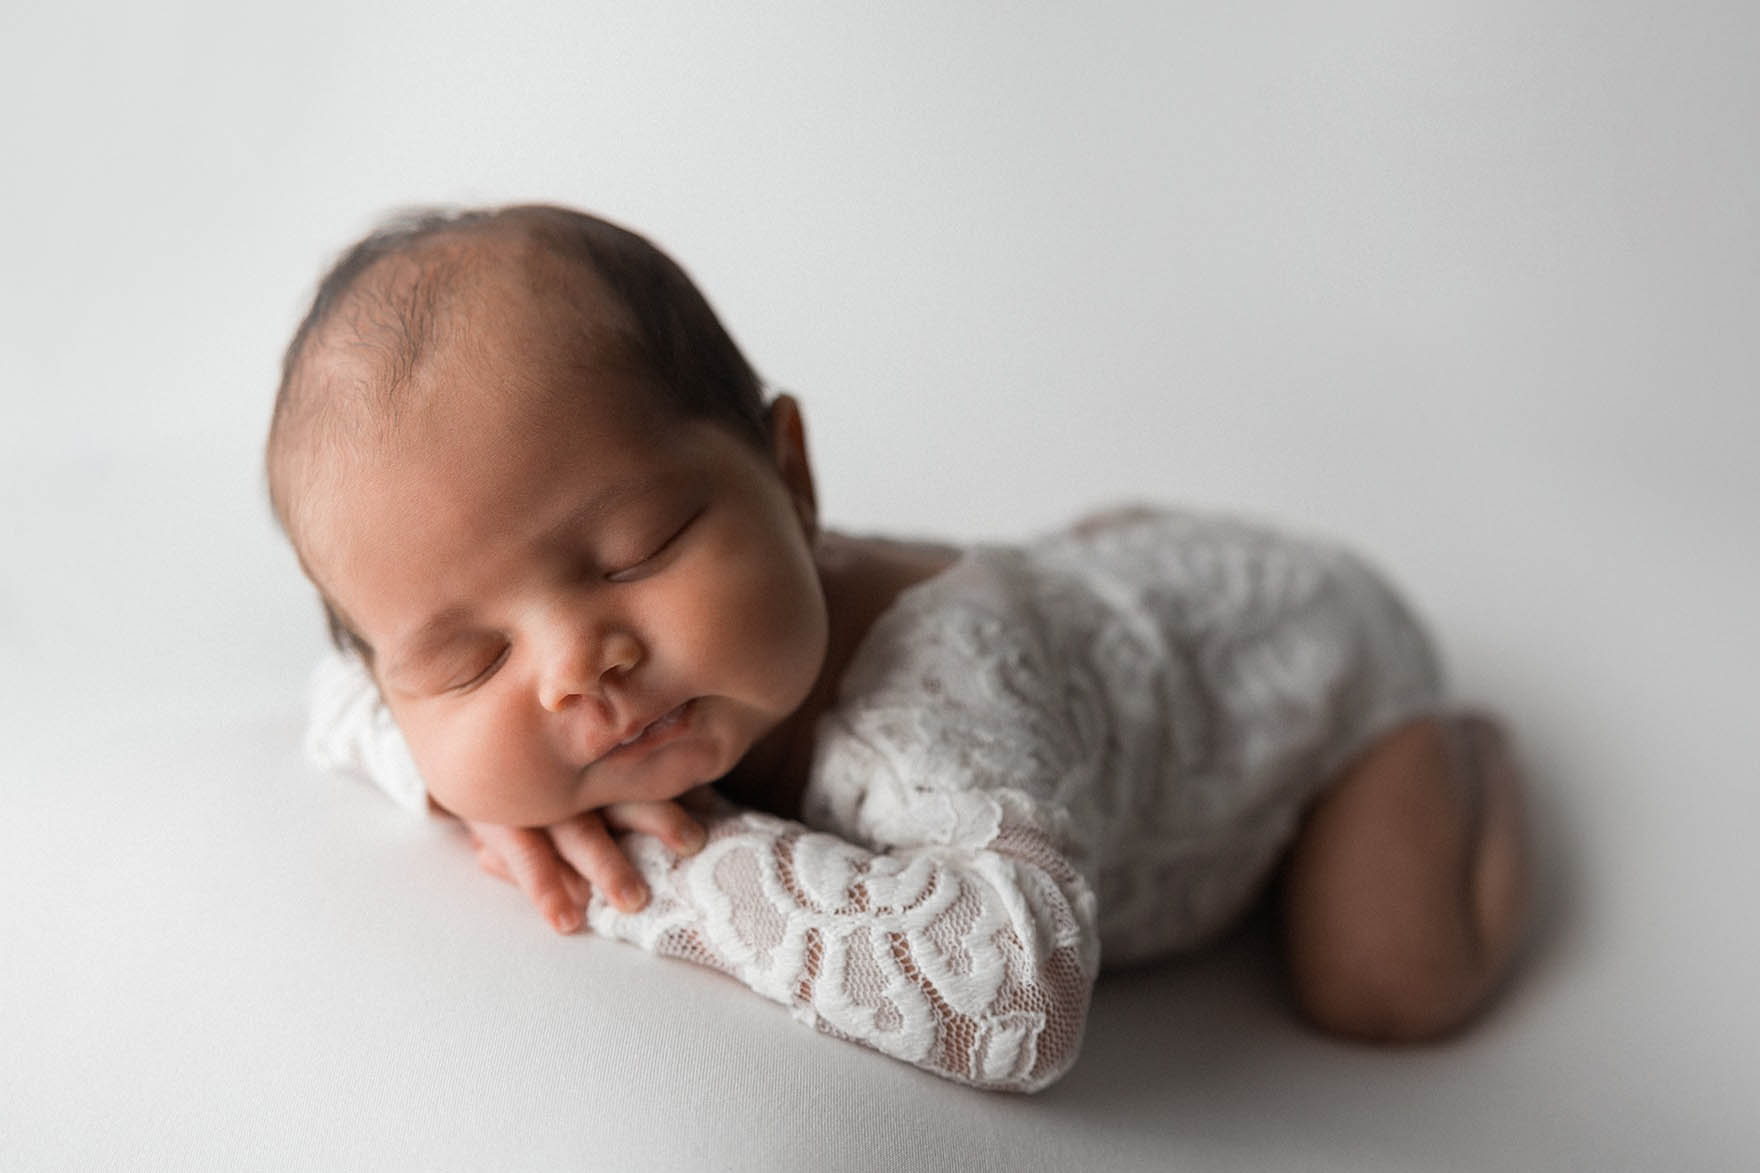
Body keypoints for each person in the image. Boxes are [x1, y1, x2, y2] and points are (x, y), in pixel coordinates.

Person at [266, 204, 1530, 1093]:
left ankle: (1461, 750)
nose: (572, 667)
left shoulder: (933, 711)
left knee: (1384, 983)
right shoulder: (603, 658)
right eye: (466, 661)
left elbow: (1013, 999)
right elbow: (337, 701)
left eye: (638, 551)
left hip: (1303, 671)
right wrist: (472, 783)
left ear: (791, 475)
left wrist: (648, 875)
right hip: (1103, 605)